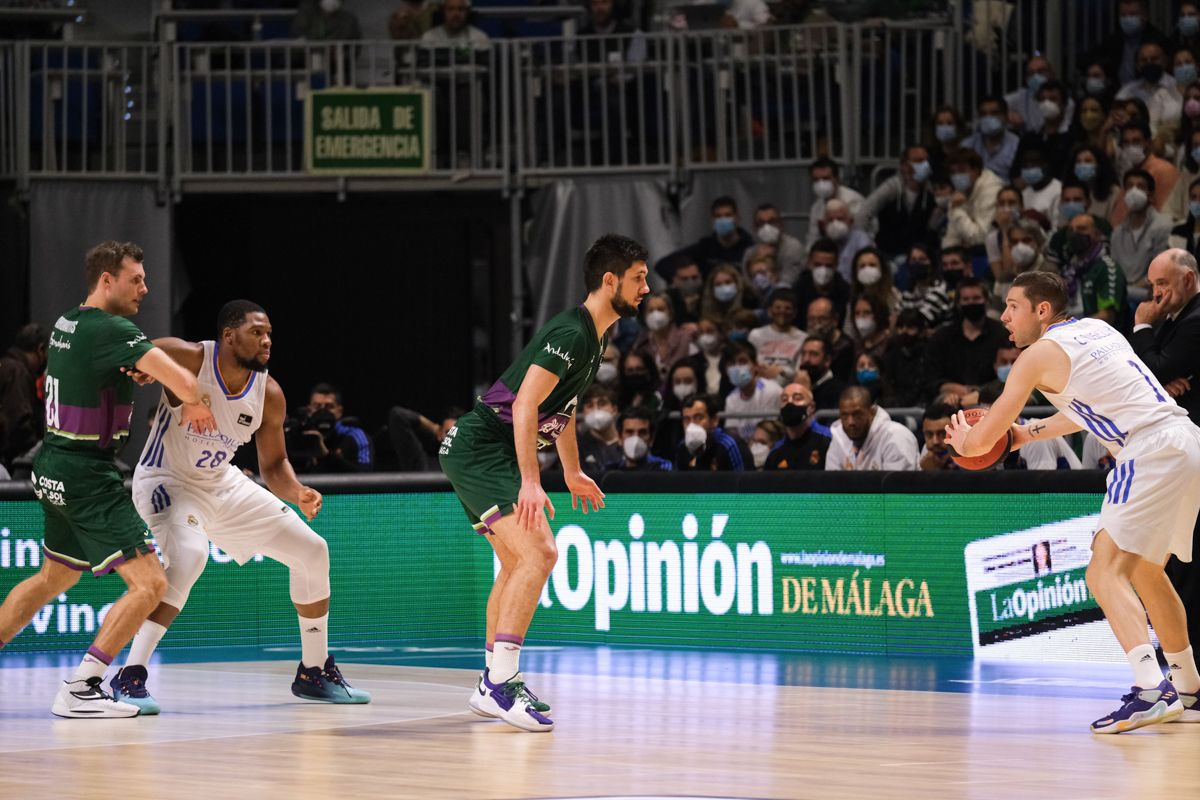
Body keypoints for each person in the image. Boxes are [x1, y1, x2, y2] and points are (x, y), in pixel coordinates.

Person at [945, 269, 1200, 732]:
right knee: (1145, 570)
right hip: (1185, 441)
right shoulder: (1097, 330)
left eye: (1012, 306)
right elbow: (1085, 411)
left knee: (1102, 570)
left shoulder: (1035, 357)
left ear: (1042, 311)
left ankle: (1150, 690)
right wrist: (1026, 435)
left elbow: (985, 434)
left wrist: (963, 441)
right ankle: (1190, 690)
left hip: (1148, 451)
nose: (1003, 316)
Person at [110, 300, 369, 712]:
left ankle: (313, 670)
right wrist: (143, 365)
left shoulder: (270, 393)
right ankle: (130, 675)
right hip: (166, 480)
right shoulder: (190, 357)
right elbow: (132, 348)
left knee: (312, 551)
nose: (266, 341)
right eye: (257, 333)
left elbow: (274, 465)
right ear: (228, 336)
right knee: (190, 556)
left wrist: (298, 490)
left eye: (269, 335)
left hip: (223, 483)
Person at [0, 241, 217, 718]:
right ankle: (82, 687)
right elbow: (184, 382)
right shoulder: (115, 330)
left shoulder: (66, 323)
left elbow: (101, 367)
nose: (146, 287)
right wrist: (197, 402)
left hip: (52, 464)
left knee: (51, 578)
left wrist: (135, 368)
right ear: (107, 280)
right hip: (87, 474)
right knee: (150, 585)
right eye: (135, 278)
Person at [438, 233, 644, 732]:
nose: (647, 289)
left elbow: (561, 410)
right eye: (639, 279)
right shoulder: (572, 333)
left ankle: (492, 682)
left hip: (486, 451)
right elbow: (527, 403)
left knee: (515, 560)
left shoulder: (594, 337)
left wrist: (571, 471)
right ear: (609, 280)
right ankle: (501, 683)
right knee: (540, 553)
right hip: (483, 448)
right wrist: (533, 480)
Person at [1131, 249, 1200, 652]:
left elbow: (1147, 374)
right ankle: (1180, 656)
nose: (1156, 294)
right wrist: (1160, 381)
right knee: (1175, 559)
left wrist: (1142, 327)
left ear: (1188, 280)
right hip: (1181, 452)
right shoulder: (1178, 318)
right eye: (1153, 285)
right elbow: (1152, 376)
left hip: (1190, 453)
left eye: (1163, 285)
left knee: (1187, 560)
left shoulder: (1194, 322)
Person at [924, 277, 1012, 397]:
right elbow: (931, 379)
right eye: (966, 299)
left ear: (986, 300)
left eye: (976, 298)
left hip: (992, 402)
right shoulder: (941, 338)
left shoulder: (1003, 335)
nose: (971, 303)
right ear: (959, 303)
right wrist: (953, 388)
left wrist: (981, 393)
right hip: (950, 404)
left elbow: (1009, 377)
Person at [856, 144, 939, 260]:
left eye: (926, 160)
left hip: (919, 255)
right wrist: (864, 248)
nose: (925, 165)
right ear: (904, 165)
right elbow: (864, 214)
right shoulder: (891, 187)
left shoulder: (931, 190)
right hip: (888, 253)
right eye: (918, 161)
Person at [1111, 168, 1173, 302]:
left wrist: (1130, 289)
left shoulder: (1163, 226)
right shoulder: (1117, 233)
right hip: (1121, 294)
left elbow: (1161, 269)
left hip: (1149, 293)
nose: (1134, 191)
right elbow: (1114, 270)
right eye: (1129, 186)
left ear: (1150, 195)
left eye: (1140, 186)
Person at [825, 386, 918, 471]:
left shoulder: (895, 437)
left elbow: (897, 486)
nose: (850, 422)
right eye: (845, 415)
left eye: (857, 414)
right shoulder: (839, 437)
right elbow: (830, 485)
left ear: (872, 412)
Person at [292, 383, 373, 473]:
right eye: (317, 407)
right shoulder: (298, 435)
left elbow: (366, 475)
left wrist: (325, 456)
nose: (322, 412)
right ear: (309, 410)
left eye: (329, 407)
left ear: (339, 411)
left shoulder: (357, 437)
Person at [0, 322, 48, 470]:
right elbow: (19, 424)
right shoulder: (18, 372)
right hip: (13, 463)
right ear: (40, 349)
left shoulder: (6, 366)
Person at [942, 149, 1006, 250]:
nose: (957, 176)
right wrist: (948, 255)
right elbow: (951, 237)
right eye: (953, 172)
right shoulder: (959, 192)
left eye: (962, 171)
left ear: (976, 170)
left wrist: (957, 210)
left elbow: (981, 239)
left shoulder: (992, 191)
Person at [673, 393, 751, 471]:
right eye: (687, 419)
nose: (692, 425)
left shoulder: (729, 445)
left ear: (714, 420)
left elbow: (745, 481)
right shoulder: (682, 447)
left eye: (699, 418)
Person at [723, 340, 782, 440]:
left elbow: (771, 434)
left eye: (742, 361)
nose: (737, 367)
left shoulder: (771, 391)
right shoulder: (731, 399)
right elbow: (732, 436)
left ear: (755, 365)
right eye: (731, 363)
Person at [764, 382, 829, 470]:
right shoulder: (776, 452)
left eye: (797, 398)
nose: (789, 402)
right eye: (784, 399)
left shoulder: (828, 441)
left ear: (812, 407)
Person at [805, 157, 865, 251]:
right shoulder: (816, 208)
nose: (821, 184)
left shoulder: (853, 200)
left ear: (837, 178)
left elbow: (861, 233)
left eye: (826, 178)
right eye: (816, 180)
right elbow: (813, 238)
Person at [748, 287, 806, 384]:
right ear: (770, 311)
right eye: (778, 307)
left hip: (788, 389)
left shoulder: (803, 338)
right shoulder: (756, 335)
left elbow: (800, 373)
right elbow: (750, 364)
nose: (782, 312)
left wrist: (781, 372)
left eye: (787, 308)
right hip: (760, 386)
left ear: (794, 313)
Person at [961, 95, 1021, 178]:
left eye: (994, 113)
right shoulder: (967, 145)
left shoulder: (1016, 146)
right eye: (983, 114)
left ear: (1006, 116)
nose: (988, 118)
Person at [745, 203, 805, 286]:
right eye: (761, 223)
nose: (767, 227)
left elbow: (787, 283)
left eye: (772, 222)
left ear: (781, 224)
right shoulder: (750, 254)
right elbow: (750, 286)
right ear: (755, 228)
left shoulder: (793, 248)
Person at [576, 383, 622, 476]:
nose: (596, 409)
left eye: (602, 404)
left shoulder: (627, 439)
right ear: (584, 413)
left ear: (614, 409)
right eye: (590, 405)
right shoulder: (577, 446)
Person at [606, 406, 673, 471]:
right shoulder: (610, 471)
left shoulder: (663, 468)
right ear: (620, 438)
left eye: (642, 432)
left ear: (651, 439)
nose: (636, 438)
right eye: (629, 432)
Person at [798, 335, 847, 411]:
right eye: (803, 354)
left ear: (827, 360)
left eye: (813, 354)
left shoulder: (838, 391)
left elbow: (823, 421)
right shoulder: (795, 384)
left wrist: (806, 394)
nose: (806, 359)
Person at [419, 0, 490, 49]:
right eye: (450, 9)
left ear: (467, 12)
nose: (456, 14)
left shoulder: (480, 38)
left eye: (461, 9)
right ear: (443, 12)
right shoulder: (429, 37)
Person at [918, 399, 960, 471]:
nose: (935, 442)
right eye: (929, 435)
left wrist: (933, 474)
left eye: (943, 434)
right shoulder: (928, 452)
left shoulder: (974, 456)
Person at [290, 0, 362, 40]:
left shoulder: (349, 19)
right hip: (307, 55)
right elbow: (298, 31)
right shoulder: (307, 11)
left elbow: (352, 41)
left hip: (337, 59)